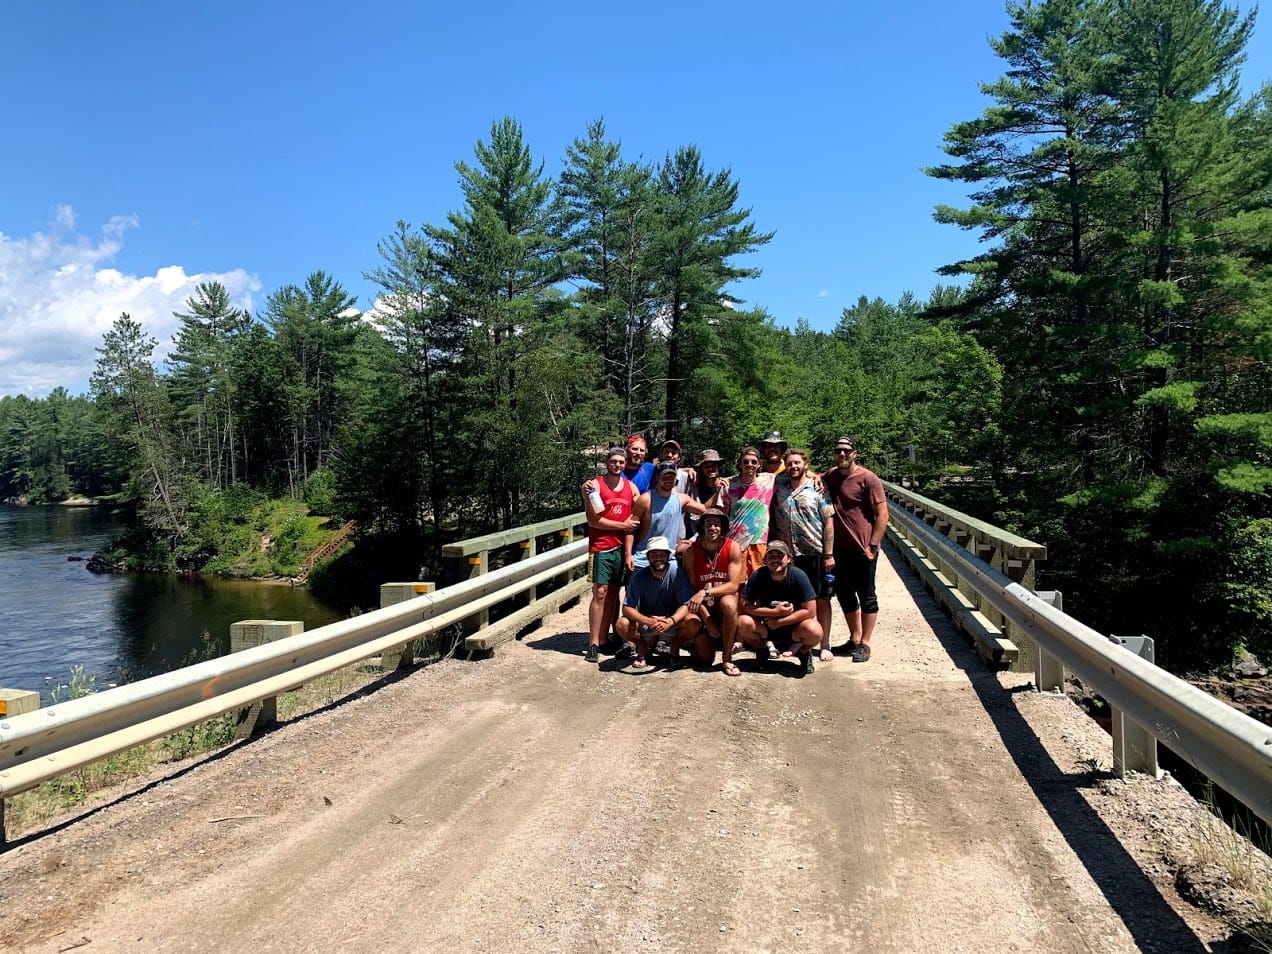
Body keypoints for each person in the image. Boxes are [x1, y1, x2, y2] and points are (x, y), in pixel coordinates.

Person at [822, 435, 889, 664]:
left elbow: (882, 515)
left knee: (867, 595)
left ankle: (866, 643)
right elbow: (811, 478)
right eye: (838, 450)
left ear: (854, 453)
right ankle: (855, 638)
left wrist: (873, 546)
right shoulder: (831, 475)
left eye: (846, 451)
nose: (842, 454)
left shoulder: (868, 478)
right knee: (844, 594)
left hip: (863, 549)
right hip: (840, 550)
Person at [773, 448, 836, 662]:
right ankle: (799, 639)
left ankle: (825, 643)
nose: (793, 466)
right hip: (790, 554)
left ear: (805, 465)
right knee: (797, 599)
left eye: (797, 463)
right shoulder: (780, 487)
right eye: (790, 463)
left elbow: (829, 522)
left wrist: (828, 554)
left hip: (814, 551)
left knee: (822, 599)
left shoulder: (817, 489)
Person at [583, 446, 639, 663]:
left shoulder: (630, 487)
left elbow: (640, 510)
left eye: (621, 462)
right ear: (607, 463)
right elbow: (594, 520)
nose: (617, 465)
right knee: (600, 592)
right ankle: (593, 643)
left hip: (621, 547)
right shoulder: (596, 485)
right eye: (614, 461)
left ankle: (607, 637)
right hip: (601, 546)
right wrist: (623, 526)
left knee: (614, 594)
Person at [736, 540, 822, 675]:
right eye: (771, 556)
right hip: (766, 627)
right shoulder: (758, 575)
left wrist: (780, 621)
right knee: (742, 622)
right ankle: (761, 649)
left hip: (794, 627)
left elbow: (810, 611)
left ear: (789, 559)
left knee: (815, 630)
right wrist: (774, 612)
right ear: (765, 559)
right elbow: (745, 606)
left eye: (780, 556)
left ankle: (804, 652)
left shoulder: (798, 576)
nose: (775, 559)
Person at [617, 536, 702, 668]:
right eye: (654, 555)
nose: (658, 559)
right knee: (622, 624)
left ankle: (674, 647)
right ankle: (642, 646)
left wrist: (671, 621)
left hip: (671, 621)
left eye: (662, 555)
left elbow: (686, 604)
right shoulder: (638, 577)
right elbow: (627, 608)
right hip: (647, 622)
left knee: (694, 622)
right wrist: (648, 621)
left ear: (668, 556)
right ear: (648, 557)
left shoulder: (677, 573)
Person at [682, 507, 746, 676]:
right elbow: (691, 590)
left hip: (721, 605)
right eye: (708, 524)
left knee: (729, 603)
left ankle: (727, 657)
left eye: (717, 524)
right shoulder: (691, 551)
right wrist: (707, 619)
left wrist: (706, 592)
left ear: (722, 527)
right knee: (705, 660)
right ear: (702, 527)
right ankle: (695, 641)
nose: (712, 528)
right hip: (702, 608)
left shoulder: (732, 547)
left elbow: (733, 585)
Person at [628, 461, 709, 572]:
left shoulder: (681, 499)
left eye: (671, 476)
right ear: (657, 477)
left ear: (676, 479)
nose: (668, 479)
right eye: (664, 476)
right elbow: (630, 529)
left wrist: (719, 490)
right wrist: (628, 555)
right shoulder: (645, 500)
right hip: (643, 559)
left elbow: (705, 510)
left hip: (669, 560)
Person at [720, 446, 776, 576]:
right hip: (735, 541)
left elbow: (796, 474)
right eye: (745, 461)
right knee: (736, 581)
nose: (749, 465)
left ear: (759, 464)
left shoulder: (770, 480)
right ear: (739, 464)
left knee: (759, 580)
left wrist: (817, 477)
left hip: (759, 541)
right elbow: (723, 514)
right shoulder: (729, 485)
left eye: (753, 462)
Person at [682, 448, 726, 548]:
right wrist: (688, 469)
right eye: (706, 466)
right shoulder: (694, 486)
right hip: (695, 535)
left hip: (718, 535)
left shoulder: (726, 485)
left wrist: (720, 490)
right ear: (701, 469)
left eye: (713, 465)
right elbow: (703, 509)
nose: (710, 469)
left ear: (718, 467)